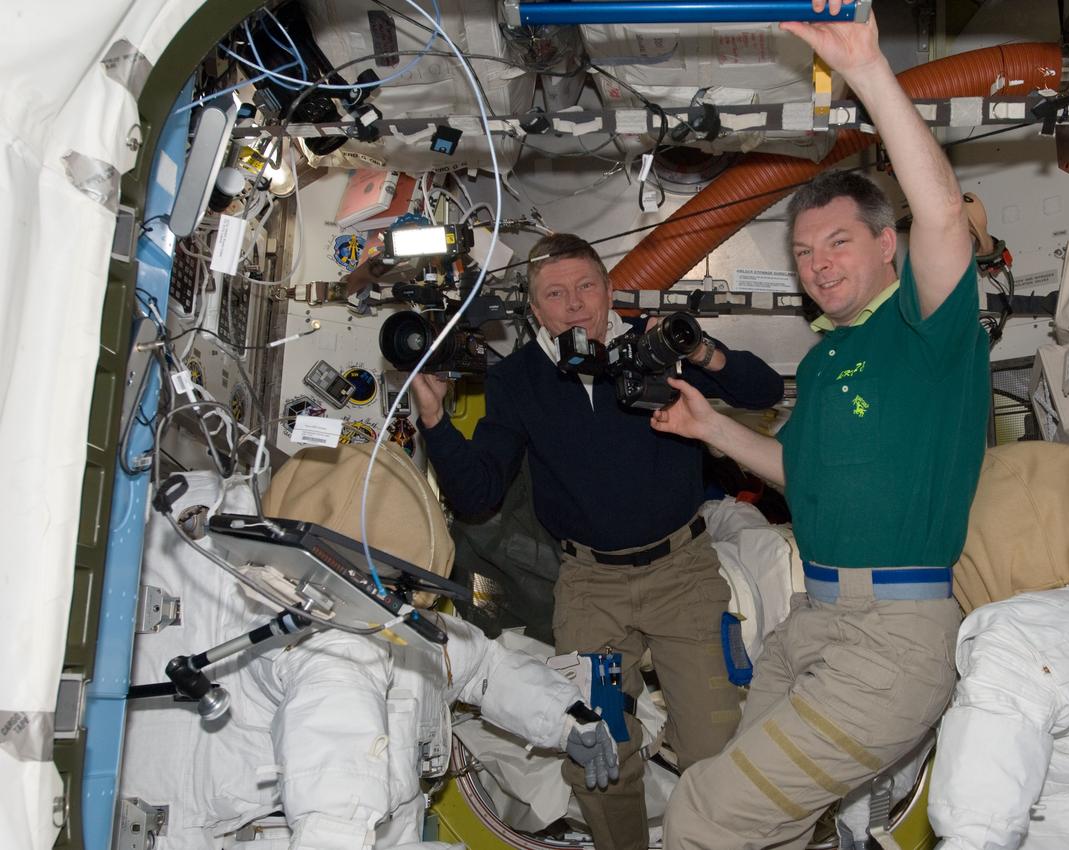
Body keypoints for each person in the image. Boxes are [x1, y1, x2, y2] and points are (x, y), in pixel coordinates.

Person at [649, 3, 989, 848]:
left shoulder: (926, 330)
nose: (818, 264)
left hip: (894, 636)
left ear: (887, 248)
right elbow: (800, 476)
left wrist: (871, 72)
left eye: (837, 243)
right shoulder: (830, 359)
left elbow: (943, 215)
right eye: (803, 253)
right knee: (771, 824)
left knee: (703, 816)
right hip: (815, 621)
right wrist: (710, 428)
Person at [411, 233, 784, 850]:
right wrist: (434, 420)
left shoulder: (656, 348)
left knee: (713, 748)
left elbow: (763, 392)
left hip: (681, 570)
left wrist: (705, 350)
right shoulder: (518, 381)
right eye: (555, 294)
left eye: (586, 286)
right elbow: (477, 496)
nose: (575, 303)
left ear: (610, 290)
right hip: (589, 585)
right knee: (596, 749)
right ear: (536, 310)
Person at [119, 444, 619, 850]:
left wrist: (566, 717)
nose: (405, 602)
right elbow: (338, 782)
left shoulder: (383, 624)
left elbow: (481, 666)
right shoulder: (337, 650)